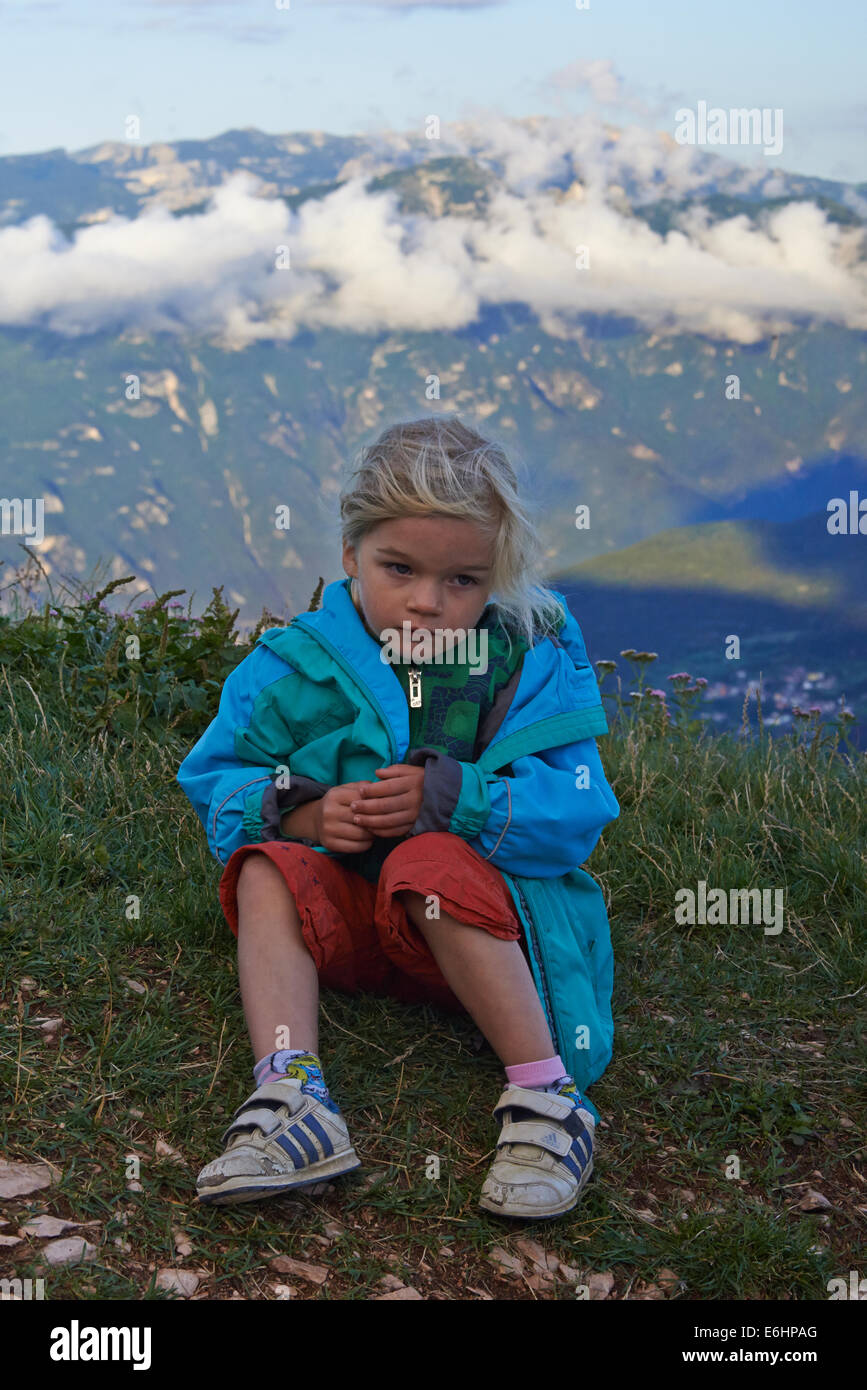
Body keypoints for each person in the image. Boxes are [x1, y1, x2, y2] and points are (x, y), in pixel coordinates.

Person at [176, 415, 620, 1222]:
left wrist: (458, 801)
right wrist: (302, 815)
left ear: (501, 575)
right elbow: (216, 779)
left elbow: (577, 810)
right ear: (349, 556)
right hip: (356, 933)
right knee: (267, 868)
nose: (428, 602)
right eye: (399, 568)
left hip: (500, 942)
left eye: (463, 581)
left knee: (430, 865)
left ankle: (548, 1102)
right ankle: (291, 1095)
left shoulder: (529, 654)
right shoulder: (294, 667)